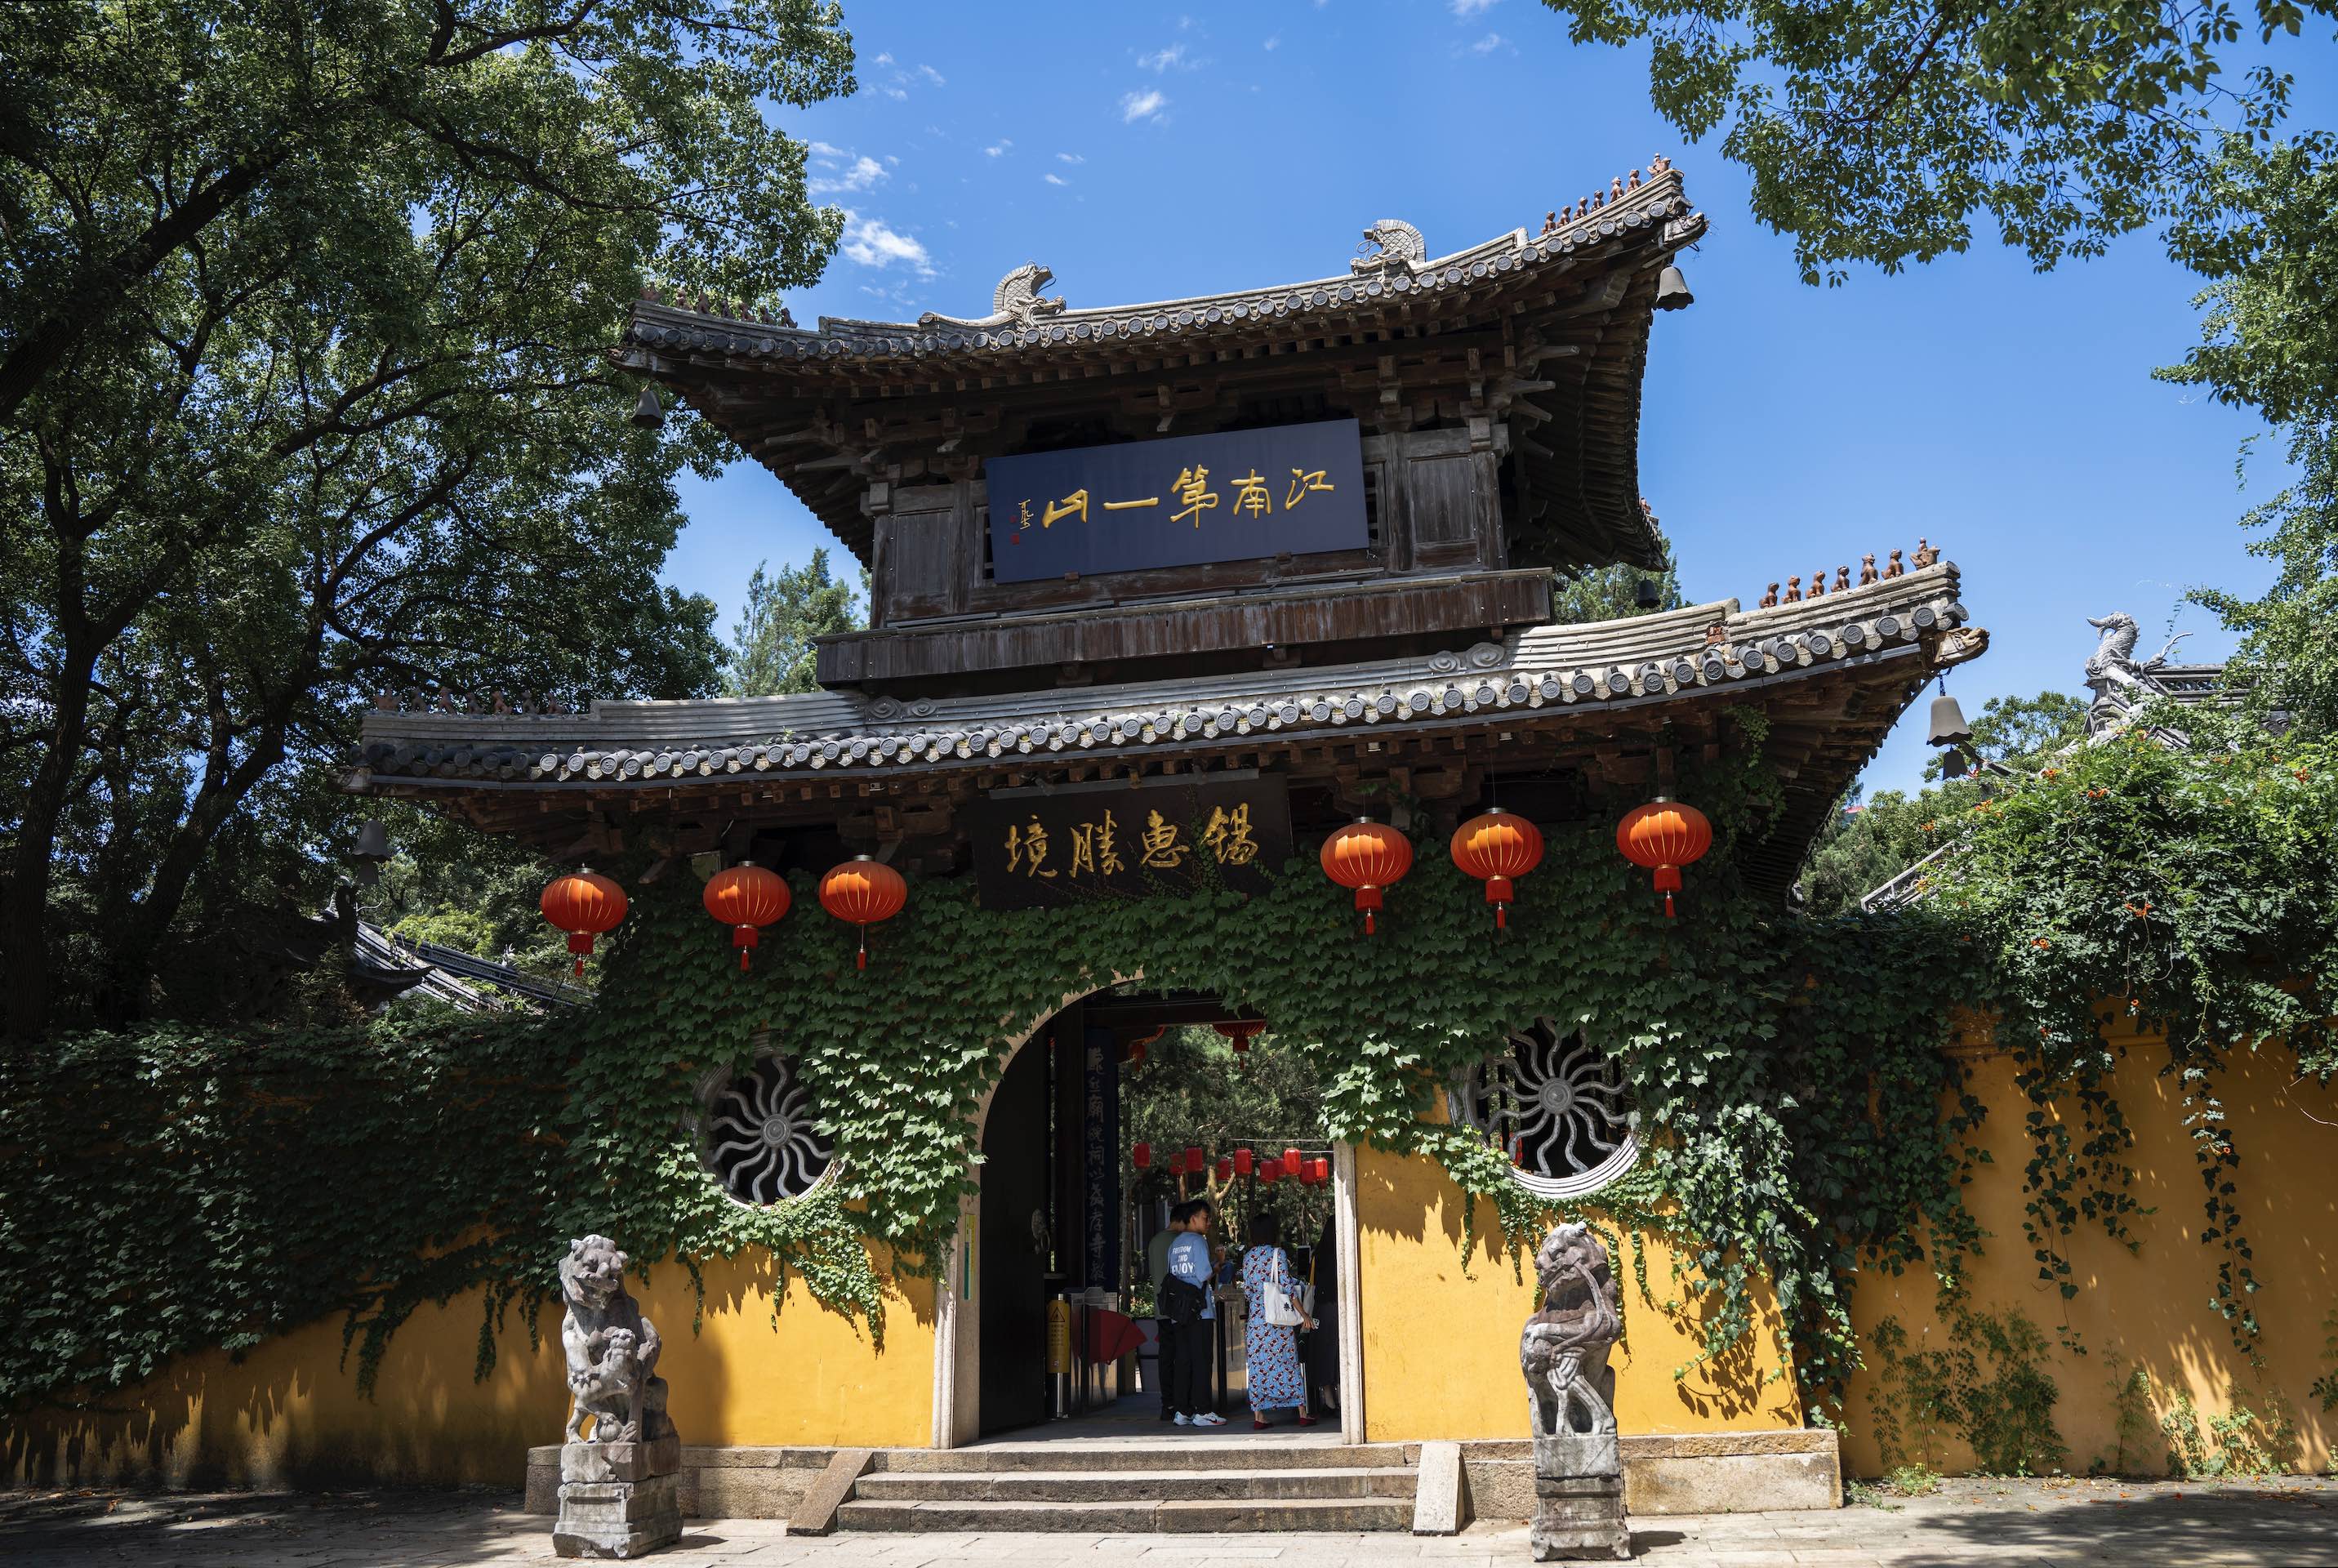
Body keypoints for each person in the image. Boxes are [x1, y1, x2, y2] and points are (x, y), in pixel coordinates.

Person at [1238, 1211, 1316, 1429]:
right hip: (1277, 1322)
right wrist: (1304, 1315)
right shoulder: (1277, 1254)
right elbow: (1288, 1290)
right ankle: (1302, 1412)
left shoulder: (1248, 1257)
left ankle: (1259, 1417)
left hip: (1256, 1322)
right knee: (1287, 1364)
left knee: (1258, 1366)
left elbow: (1249, 1291)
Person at [1165, 1199, 1227, 1428]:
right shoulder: (1198, 1242)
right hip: (1199, 1312)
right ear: (1193, 1219)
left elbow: (1174, 1274)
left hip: (1178, 1313)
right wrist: (1218, 1264)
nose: (1208, 1222)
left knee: (1183, 1361)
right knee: (1202, 1360)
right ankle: (1203, 1411)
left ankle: (1183, 1411)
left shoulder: (1176, 1243)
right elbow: (1203, 1275)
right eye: (1205, 1217)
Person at [1303, 1214, 1340, 1414]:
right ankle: (1344, 1400)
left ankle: (1329, 1402)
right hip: (1342, 1308)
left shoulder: (1319, 1254)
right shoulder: (1346, 1251)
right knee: (1340, 1355)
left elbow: (1312, 1283)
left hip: (1322, 1309)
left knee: (1324, 1354)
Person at [1147, 1216, 1178, 1422]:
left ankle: (1167, 1403)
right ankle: (1181, 1403)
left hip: (1161, 1307)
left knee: (1165, 1357)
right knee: (1182, 1357)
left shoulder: (1154, 1241)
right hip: (1178, 1308)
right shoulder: (1181, 1241)